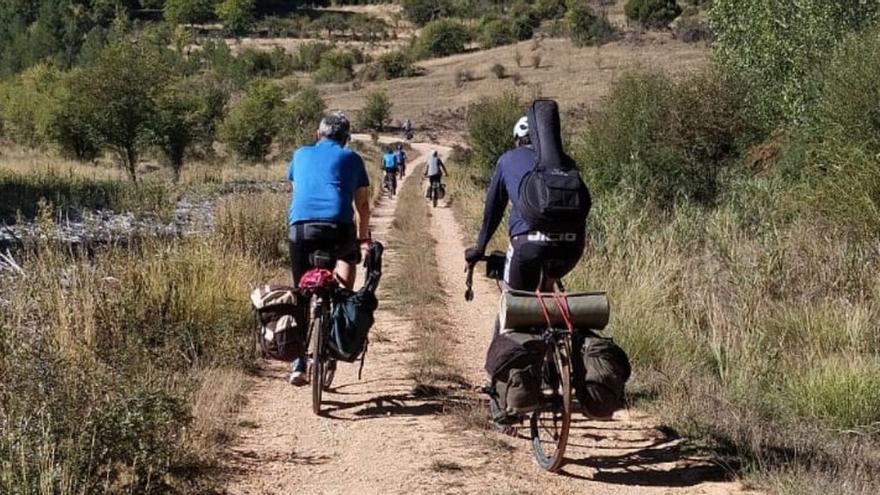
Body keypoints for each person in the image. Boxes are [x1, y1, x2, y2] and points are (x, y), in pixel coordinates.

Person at [286, 111, 371, 386]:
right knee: (347, 269)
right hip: (338, 229)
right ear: (346, 139)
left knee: (299, 293)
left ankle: (298, 363)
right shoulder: (352, 158)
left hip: (300, 229)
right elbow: (363, 206)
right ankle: (340, 309)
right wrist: (362, 240)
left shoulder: (300, 154)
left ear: (317, 134)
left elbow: (298, 190)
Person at [464, 115, 585, 292]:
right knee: (548, 292)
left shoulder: (507, 159)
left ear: (517, 140)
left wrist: (479, 249)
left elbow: (493, 210)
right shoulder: (565, 161)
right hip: (572, 246)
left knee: (515, 300)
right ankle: (554, 316)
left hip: (527, 242)